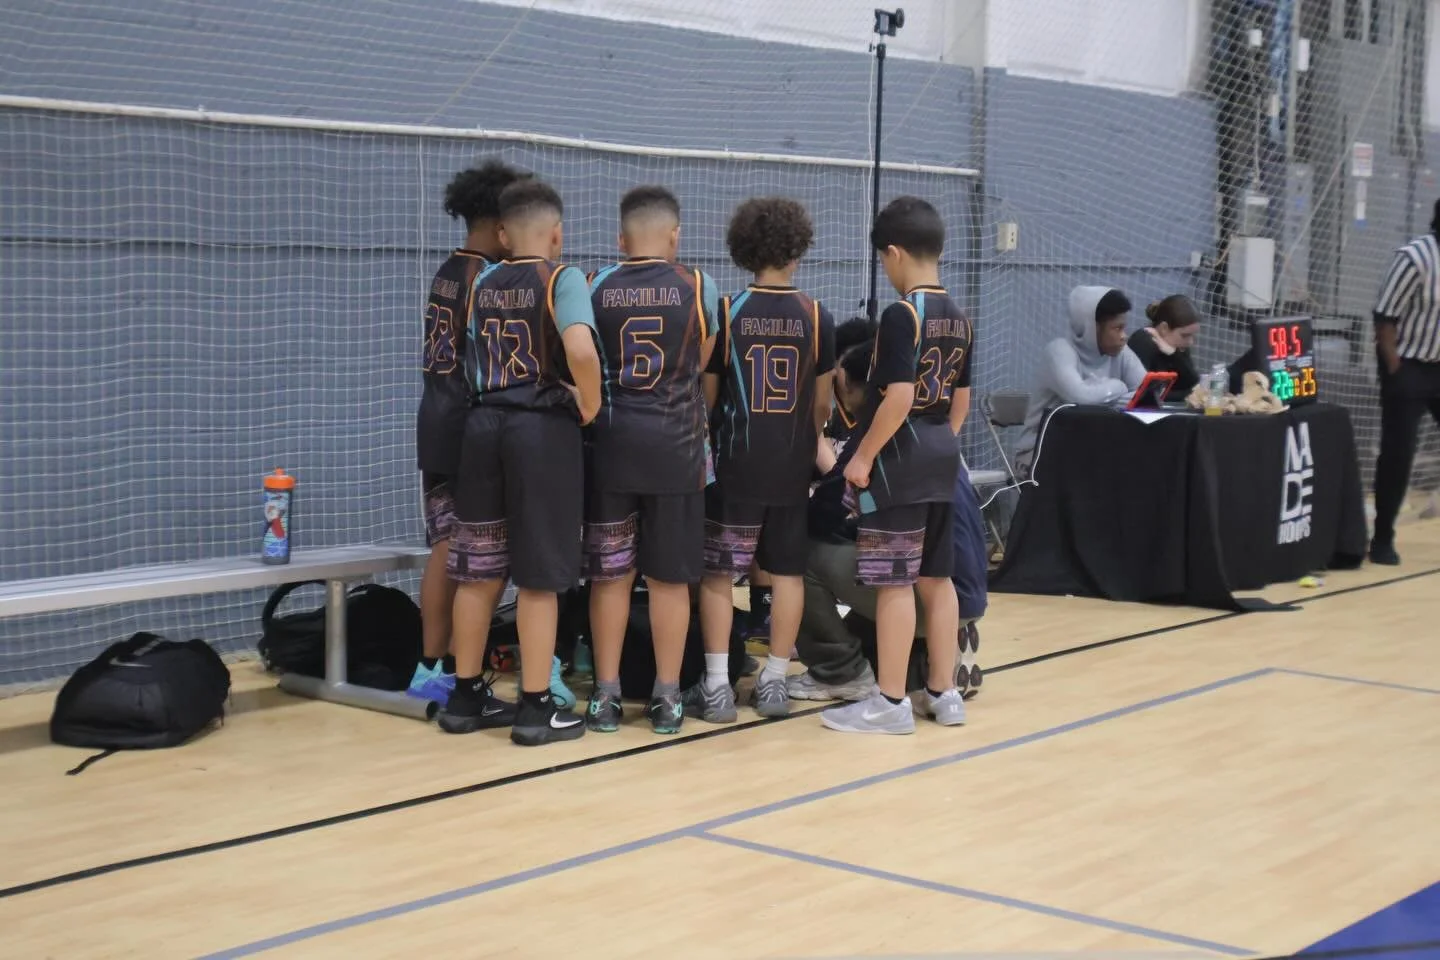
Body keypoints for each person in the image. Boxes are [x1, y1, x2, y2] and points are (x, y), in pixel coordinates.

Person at [440, 179, 603, 746]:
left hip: (481, 426)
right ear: (557, 233)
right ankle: (536, 708)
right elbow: (579, 348)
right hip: (539, 429)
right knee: (538, 574)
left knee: (478, 570)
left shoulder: (481, 281)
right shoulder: (563, 278)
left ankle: (464, 698)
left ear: (504, 234)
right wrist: (591, 403)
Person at [823, 195, 970, 735]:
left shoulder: (901, 314)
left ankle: (889, 702)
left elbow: (900, 395)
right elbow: (961, 403)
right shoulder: (960, 318)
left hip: (900, 459)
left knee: (894, 582)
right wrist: (938, 447)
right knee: (938, 579)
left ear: (893, 253)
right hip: (942, 455)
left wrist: (863, 457)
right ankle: (945, 692)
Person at [582, 185, 719, 735]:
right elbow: (701, 362)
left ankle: (606, 695)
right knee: (669, 580)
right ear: (675, 236)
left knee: (611, 576)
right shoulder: (699, 285)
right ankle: (666, 697)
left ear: (622, 239)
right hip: (677, 452)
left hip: (611, 449)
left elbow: (580, 359)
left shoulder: (593, 284)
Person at [695, 196, 836, 722]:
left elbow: (709, 396)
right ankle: (775, 680)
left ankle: (716, 687)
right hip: (791, 466)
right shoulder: (817, 317)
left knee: (718, 574)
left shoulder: (726, 312)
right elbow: (822, 405)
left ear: (744, 249)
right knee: (787, 574)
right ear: (798, 249)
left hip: (735, 463)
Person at [790, 342, 988, 703]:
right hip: (965, 591)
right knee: (886, 582)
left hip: (922, 593)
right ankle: (932, 663)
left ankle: (841, 671)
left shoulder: (877, 439)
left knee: (797, 555)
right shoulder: (934, 432)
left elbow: (822, 516)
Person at [408, 160, 531, 706]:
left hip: (436, 419)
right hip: (467, 426)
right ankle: (458, 669)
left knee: (444, 546)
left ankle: (430, 666)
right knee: (471, 555)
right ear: (502, 223)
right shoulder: (487, 279)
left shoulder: (449, 269)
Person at [1370, 198, 1440, 565]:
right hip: (1408, 364)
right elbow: (1385, 317)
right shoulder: (1414, 258)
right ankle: (1382, 538)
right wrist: (1395, 368)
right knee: (1399, 453)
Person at [1014, 285, 1147, 471]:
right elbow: (1082, 398)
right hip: (1040, 452)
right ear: (1092, 327)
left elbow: (1146, 393)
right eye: (1117, 328)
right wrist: (1119, 387)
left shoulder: (1121, 351)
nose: (1123, 336)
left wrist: (1104, 392)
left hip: (1089, 449)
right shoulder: (1059, 351)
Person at [1127, 294, 1202, 398]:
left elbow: (1193, 383)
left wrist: (1173, 355)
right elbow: (1143, 395)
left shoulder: (1178, 348)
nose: (1190, 342)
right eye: (1185, 335)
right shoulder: (1143, 342)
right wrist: (1185, 394)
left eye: (1193, 336)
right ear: (1164, 328)